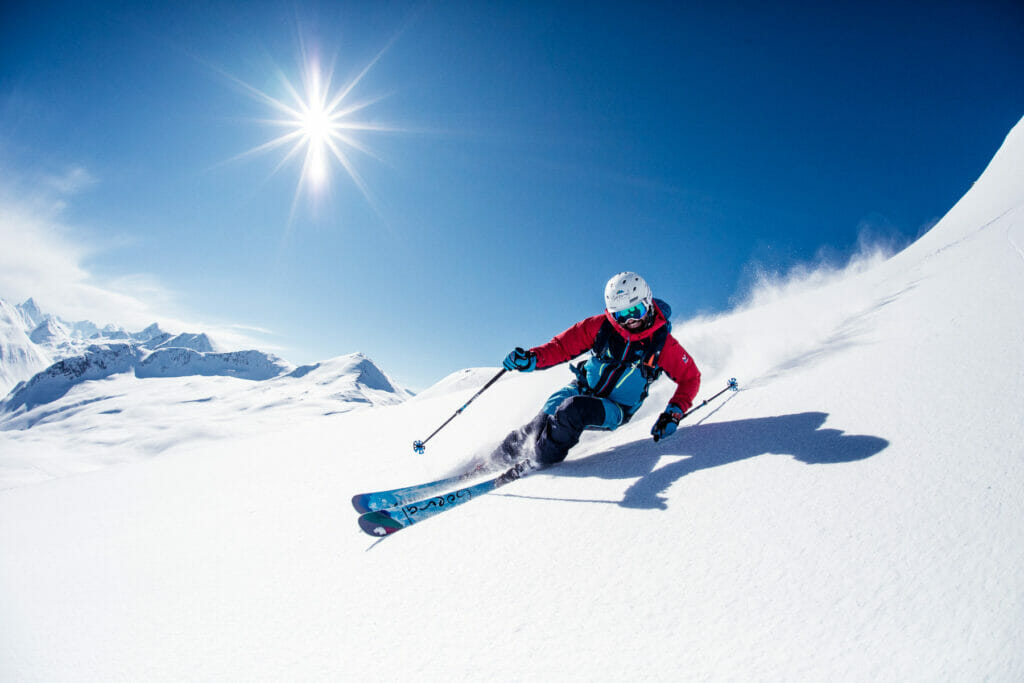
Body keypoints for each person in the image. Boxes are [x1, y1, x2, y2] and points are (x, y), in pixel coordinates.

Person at [491, 271, 701, 469]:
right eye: (620, 316)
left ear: (648, 303)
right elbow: (562, 347)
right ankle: (492, 462)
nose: (630, 322)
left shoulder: (662, 344)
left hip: (616, 408)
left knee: (573, 410)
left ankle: (537, 461)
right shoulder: (600, 326)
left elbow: (690, 378)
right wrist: (532, 358)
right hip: (581, 387)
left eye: (635, 311)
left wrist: (673, 412)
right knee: (537, 425)